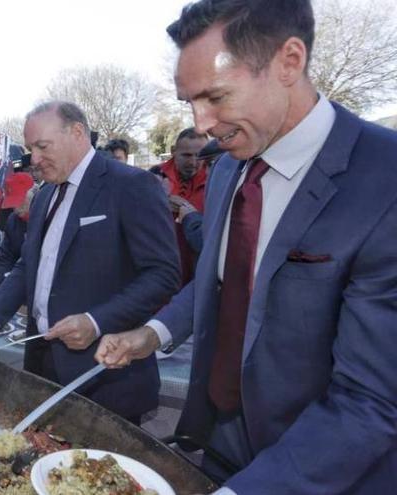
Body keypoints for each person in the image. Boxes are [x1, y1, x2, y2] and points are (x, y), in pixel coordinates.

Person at [95, 1, 397, 492]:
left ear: (289, 62)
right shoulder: (230, 167)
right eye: (188, 101)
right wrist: (151, 334)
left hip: (321, 467)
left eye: (215, 96)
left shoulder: (385, 180)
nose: (201, 123)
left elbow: (374, 400)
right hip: (218, 441)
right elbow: (225, 280)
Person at [0, 102, 180, 423]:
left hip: (105, 370)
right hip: (43, 362)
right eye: (31, 148)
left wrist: (96, 321)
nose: (35, 159)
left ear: (77, 133)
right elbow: (28, 265)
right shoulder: (44, 195)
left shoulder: (131, 185)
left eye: (43, 147)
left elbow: (163, 275)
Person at [160, 128, 209, 285]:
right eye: (186, 155)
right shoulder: (154, 178)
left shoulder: (218, 182)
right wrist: (157, 202)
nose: (193, 162)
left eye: (199, 155)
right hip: (160, 275)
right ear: (174, 151)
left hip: (198, 277)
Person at [0, 176, 37, 292]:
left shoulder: (46, 217)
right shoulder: (12, 220)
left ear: (33, 193)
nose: (16, 208)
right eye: (12, 203)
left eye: (20, 201)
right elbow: (6, 255)